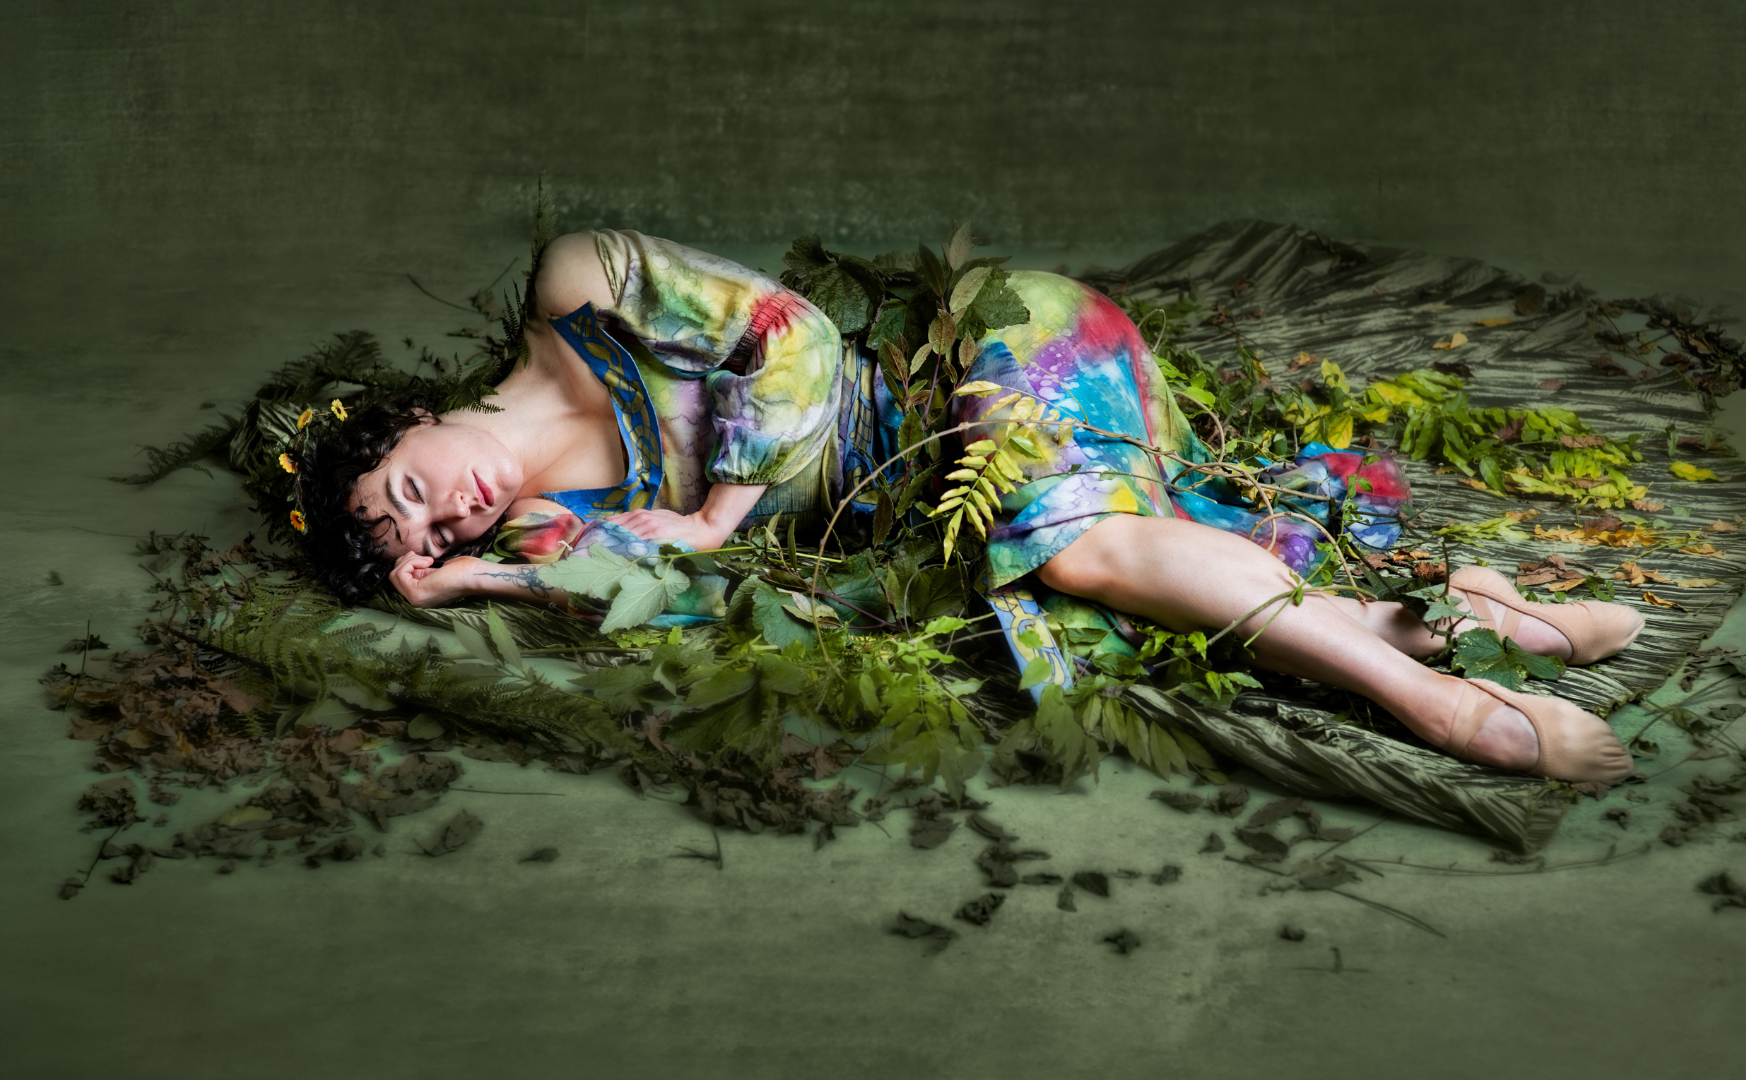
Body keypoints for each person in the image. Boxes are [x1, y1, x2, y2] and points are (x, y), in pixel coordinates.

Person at [296, 230, 1642, 783]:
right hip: (940, 503)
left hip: (988, 357)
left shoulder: (577, 281)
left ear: (403, 415)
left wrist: (710, 514)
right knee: (1100, 579)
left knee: (1084, 556)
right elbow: (677, 598)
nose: (453, 510)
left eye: (414, 488)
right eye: (435, 535)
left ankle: (1445, 708)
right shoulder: (536, 530)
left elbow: (795, 337)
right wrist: (477, 580)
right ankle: (1462, 620)